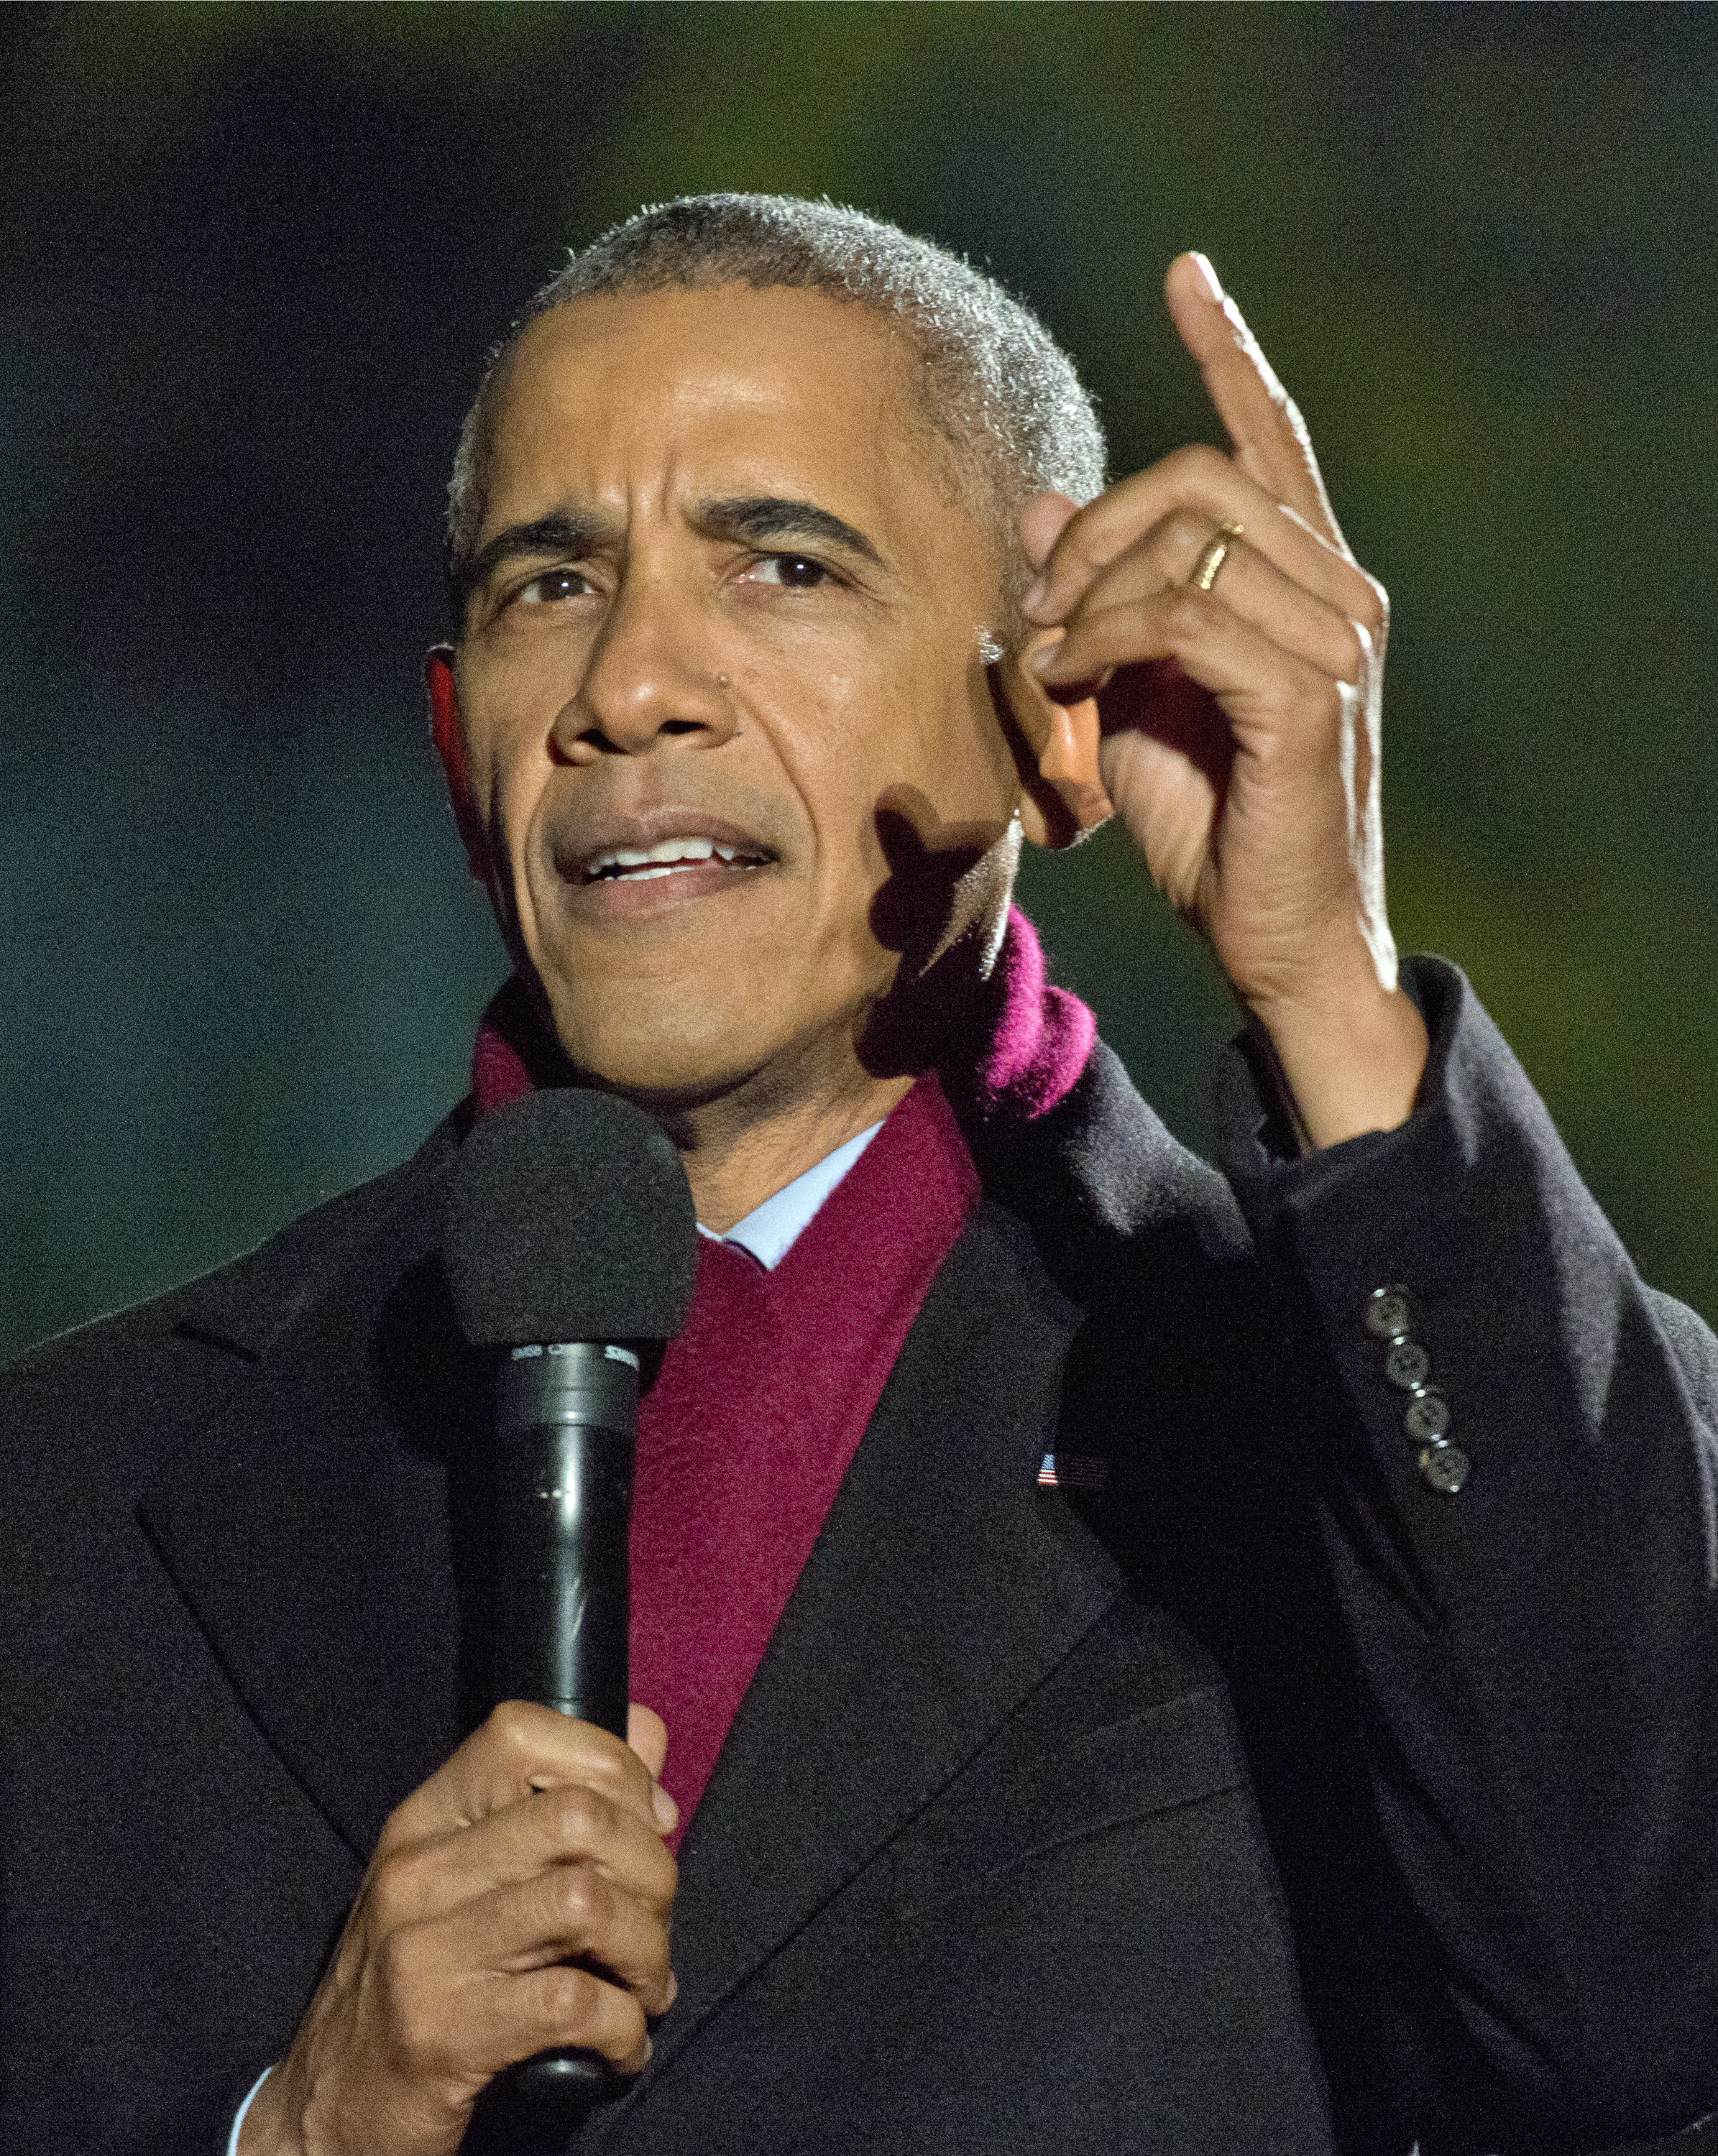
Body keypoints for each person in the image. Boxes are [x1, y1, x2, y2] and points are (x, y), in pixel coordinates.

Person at [1, 194, 1714, 2156]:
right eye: (549, 586)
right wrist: (296, 2132)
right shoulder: (61, 1516)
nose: (629, 687)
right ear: (453, 739)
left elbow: (1642, 2010)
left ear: (1069, 721)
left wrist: (1324, 981)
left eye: (785, 568)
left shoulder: (1422, 1447)